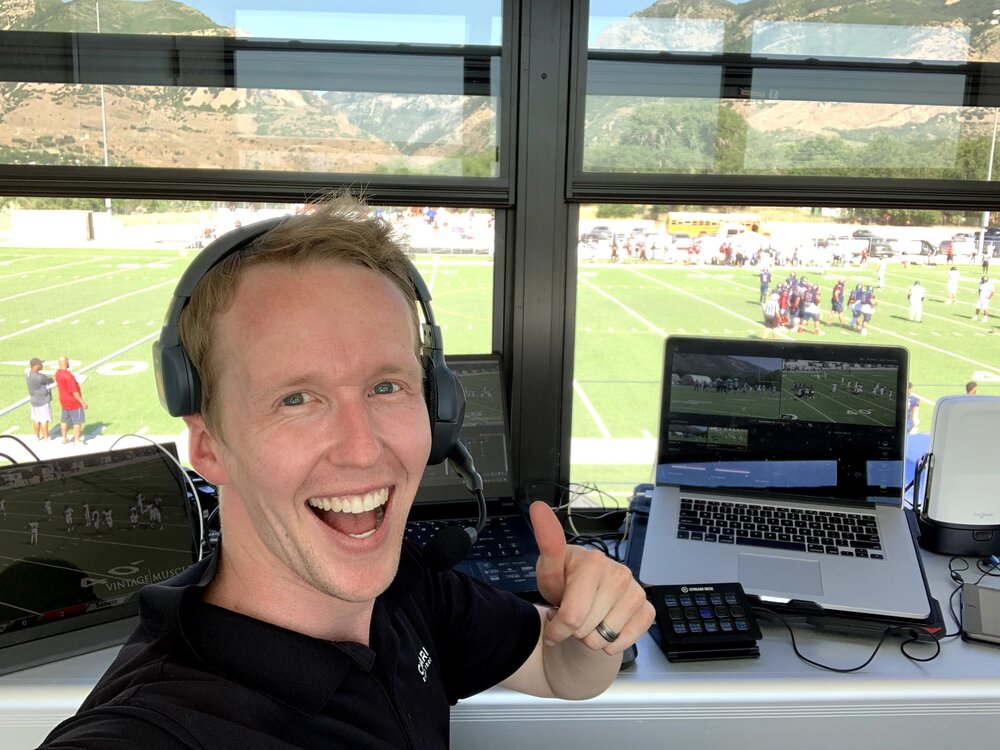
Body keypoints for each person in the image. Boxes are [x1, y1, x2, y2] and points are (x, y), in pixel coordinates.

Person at [38, 197, 655, 749]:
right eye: (297, 400)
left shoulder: (404, 588)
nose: (363, 451)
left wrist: (591, 628)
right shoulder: (158, 724)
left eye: (387, 386)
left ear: (437, 410)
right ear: (209, 449)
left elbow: (557, 670)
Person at [53, 356, 88, 444]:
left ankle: (64, 438)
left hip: (63, 401)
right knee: (77, 421)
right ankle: (76, 439)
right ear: (65, 362)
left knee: (64, 420)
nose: (68, 362)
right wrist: (82, 402)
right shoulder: (69, 376)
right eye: (67, 360)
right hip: (73, 402)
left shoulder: (57, 373)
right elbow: (74, 392)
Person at [25, 357, 54, 441]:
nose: (42, 365)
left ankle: (37, 436)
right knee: (44, 420)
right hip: (43, 401)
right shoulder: (40, 377)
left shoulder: (28, 375)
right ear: (36, 365)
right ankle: (46, 438)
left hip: (34, 401)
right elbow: (51, 380)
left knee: (36, 419)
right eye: (40, 364)